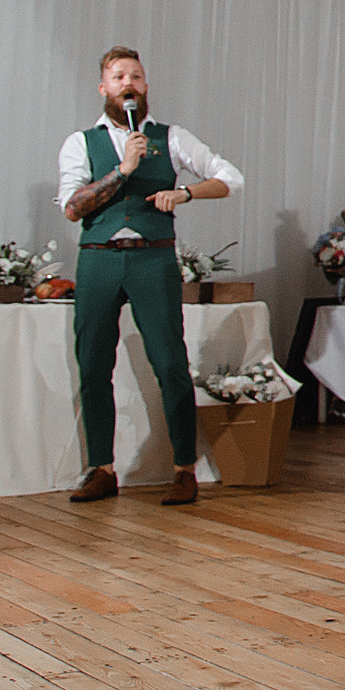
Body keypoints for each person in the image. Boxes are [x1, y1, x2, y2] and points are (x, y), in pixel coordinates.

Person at [57, 47, 243, 506]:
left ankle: (184, 469)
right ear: (104, 88)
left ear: (145, 87)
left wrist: (186, 193)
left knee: (170, 362)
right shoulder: (81, 142)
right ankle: (101, 469)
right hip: (99, 258)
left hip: (152, 259)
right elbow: (72, 207)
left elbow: (230, 177)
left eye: (136, 77)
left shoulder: (171, 137)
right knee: (93, 365)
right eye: (119, 76)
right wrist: (123, 170)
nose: (129, 84)